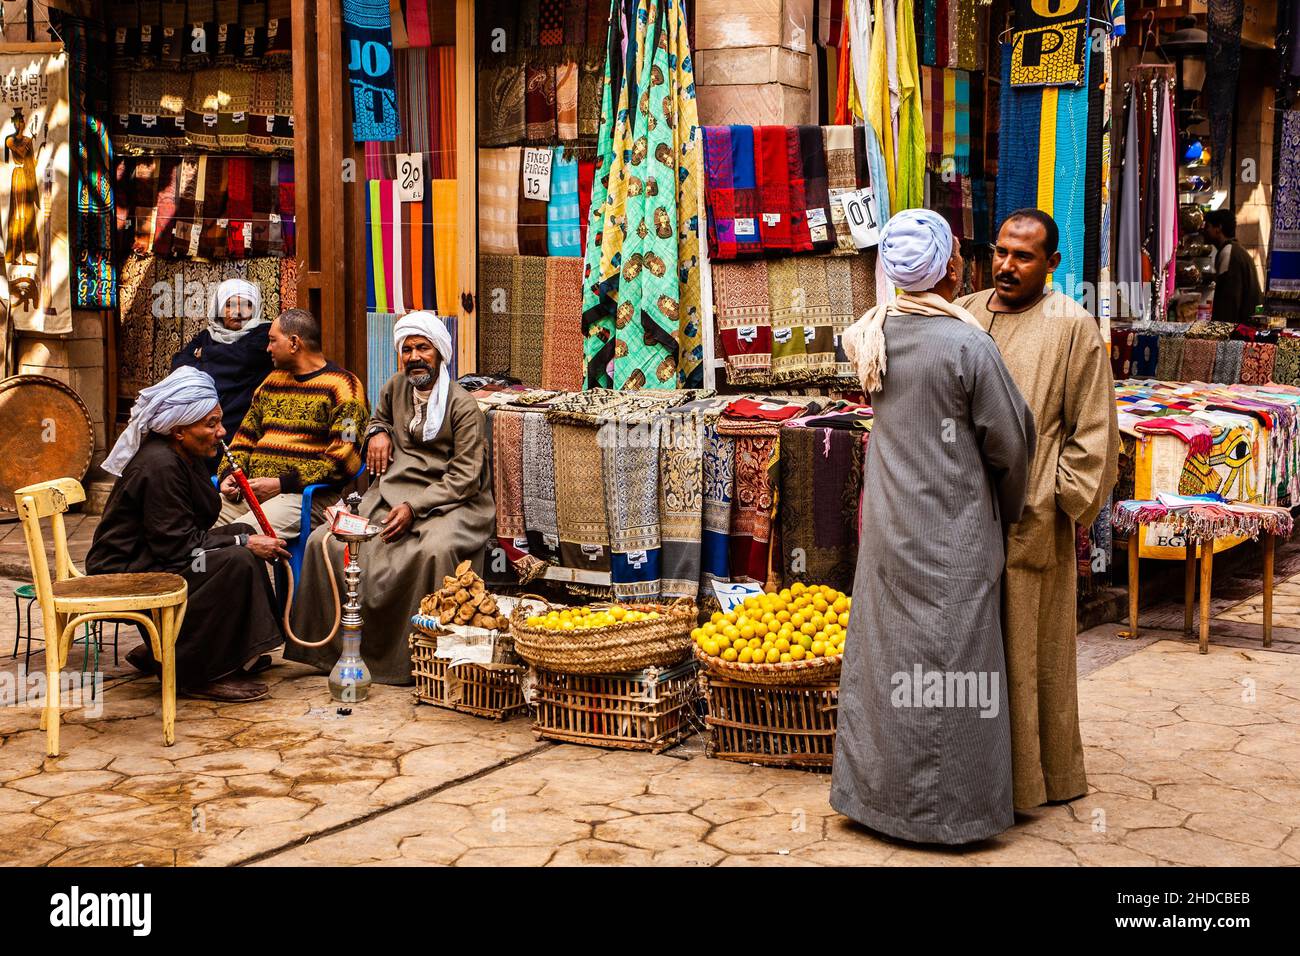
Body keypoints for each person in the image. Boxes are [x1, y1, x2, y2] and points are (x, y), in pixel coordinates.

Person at [832, 209, 1035, 844]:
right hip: (955, 537)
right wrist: (1005, 510)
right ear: (951, 267)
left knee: (884, 663)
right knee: (954, 668)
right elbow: (1010, 446)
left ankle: (876, 800)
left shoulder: (871, 335)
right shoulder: (968, 343)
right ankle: (951, 816)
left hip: (891, 531)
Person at [956, 208, 1120, 810]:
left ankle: (1034, 782)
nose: (1006, 265)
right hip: (960, 518)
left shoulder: (1072, 326)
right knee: (967, 654)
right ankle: (971, 776)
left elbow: (1096, 431)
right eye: (1000, 252)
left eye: (1023, 256)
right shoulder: (965, 314)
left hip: (1031, 520)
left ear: (1052, 264)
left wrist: (1056, 498)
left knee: (1030, 655)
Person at [285, 311, 495, 684]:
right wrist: (378, 433)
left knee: (433, 550)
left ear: (440, 353)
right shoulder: (395, 386)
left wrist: (415, 509)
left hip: (452, 501)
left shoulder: (463, 407)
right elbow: (377, 420)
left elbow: (465, 477)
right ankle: (331, 651)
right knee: (326, 542)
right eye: (407, 349)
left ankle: (415, 662)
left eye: (423, 348)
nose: (414, 356)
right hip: (392, 491)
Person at [87, 367, 289, 702]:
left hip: (154, 555)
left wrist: (237, 529)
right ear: (179, 430)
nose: (221, 432)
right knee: (236, 559)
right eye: (210, 424)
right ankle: (198, 671)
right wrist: (243, 543)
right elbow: (178, 550)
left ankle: (223, 651)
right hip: (127, 571)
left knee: (240, 531)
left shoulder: (184, 454)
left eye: (219, 421)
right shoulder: (160, 466)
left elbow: (186, 529)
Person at [219, 308, 368, 539]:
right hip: (251, 494)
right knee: (196, 524)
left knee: (241, 535)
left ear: (294, 343)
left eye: (272, 341)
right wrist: (229, 473)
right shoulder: (272, 382)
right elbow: (245, 437)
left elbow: (343, 459)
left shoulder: (344, 388)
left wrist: (282, 483)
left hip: (304, 498)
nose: (267, 348)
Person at [171, 278, 274, 470]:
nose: (238, 312)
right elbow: (179, 366)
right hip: (205, 418)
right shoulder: (207, 336)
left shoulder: (264, 334)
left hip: (241, 419)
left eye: (246, 305)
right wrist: (223, 366)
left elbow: (244, 360)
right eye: (229, 305)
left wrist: (206, 356)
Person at [1202, 209, 1263, 326]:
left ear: (1218, 228)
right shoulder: (1234, 250)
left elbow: (1229, 300)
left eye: (1207, 226)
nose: (1204, 231)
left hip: (1240, 328)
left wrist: (1221, 330)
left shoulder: (1228, 252)